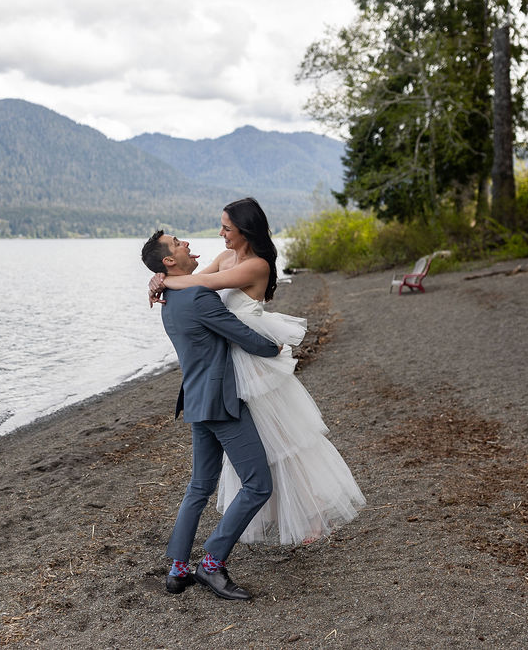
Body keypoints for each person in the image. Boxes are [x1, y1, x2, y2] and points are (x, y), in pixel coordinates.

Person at [148, 197, 365, 545]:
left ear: (245, 231)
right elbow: (192, 280)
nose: (220, 233)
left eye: (226, 228)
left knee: (283, 440)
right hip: (232, 360)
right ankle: (276, 513)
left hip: (254, 362)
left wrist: (161, 281)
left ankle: (310, 512)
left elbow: (199, 286)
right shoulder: (225, 257)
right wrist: (161, 276)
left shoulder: (257, 265)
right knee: (262, 447)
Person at [140, 229, 281, 601]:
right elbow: (241, 334)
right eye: (177, 243)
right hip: (220, 402)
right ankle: (212, 564)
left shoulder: (170, 295)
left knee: (200, 486)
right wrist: (275, 348)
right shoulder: (197, 297)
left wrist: (159, 281)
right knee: (258, 484)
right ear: (169, 260)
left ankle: (178, 569)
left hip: (196, 400)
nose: (186, 243)